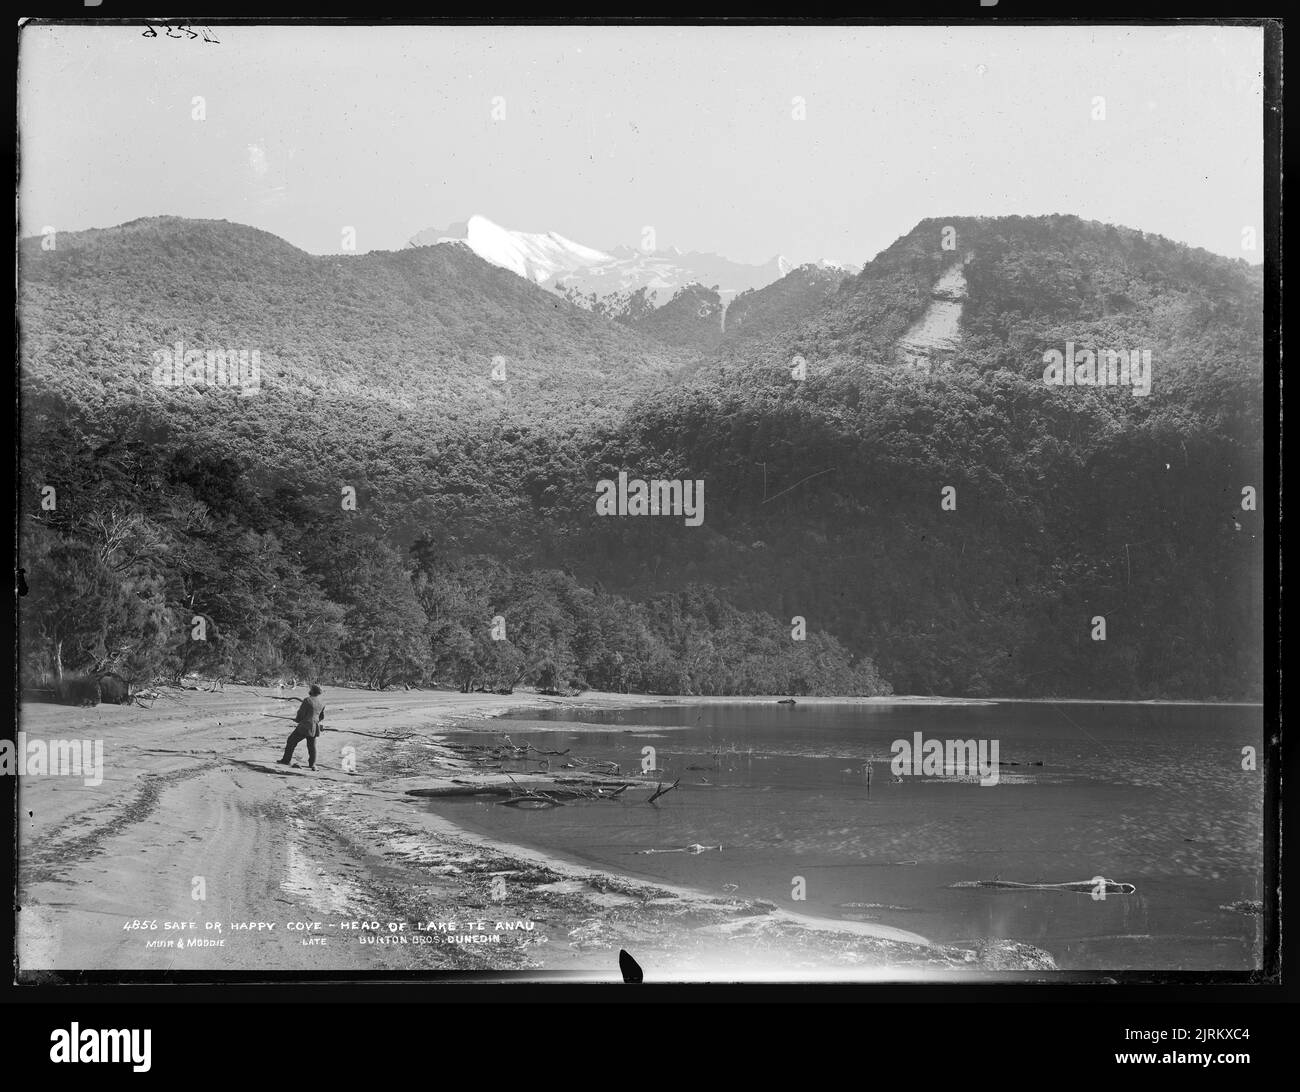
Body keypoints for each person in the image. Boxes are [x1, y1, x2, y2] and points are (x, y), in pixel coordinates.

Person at [277, 684, 326, 770]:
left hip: (304, 727)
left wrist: (297, 720)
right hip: (314, 727)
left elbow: (301, 714)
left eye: (310, 689)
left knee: (291, 741)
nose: (309, 690)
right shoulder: (322, 702)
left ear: (312, 691)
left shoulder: (307, 700)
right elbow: (321, 717)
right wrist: (315, 722)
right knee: (312, 746)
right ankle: (313, 764)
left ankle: (286, 760)